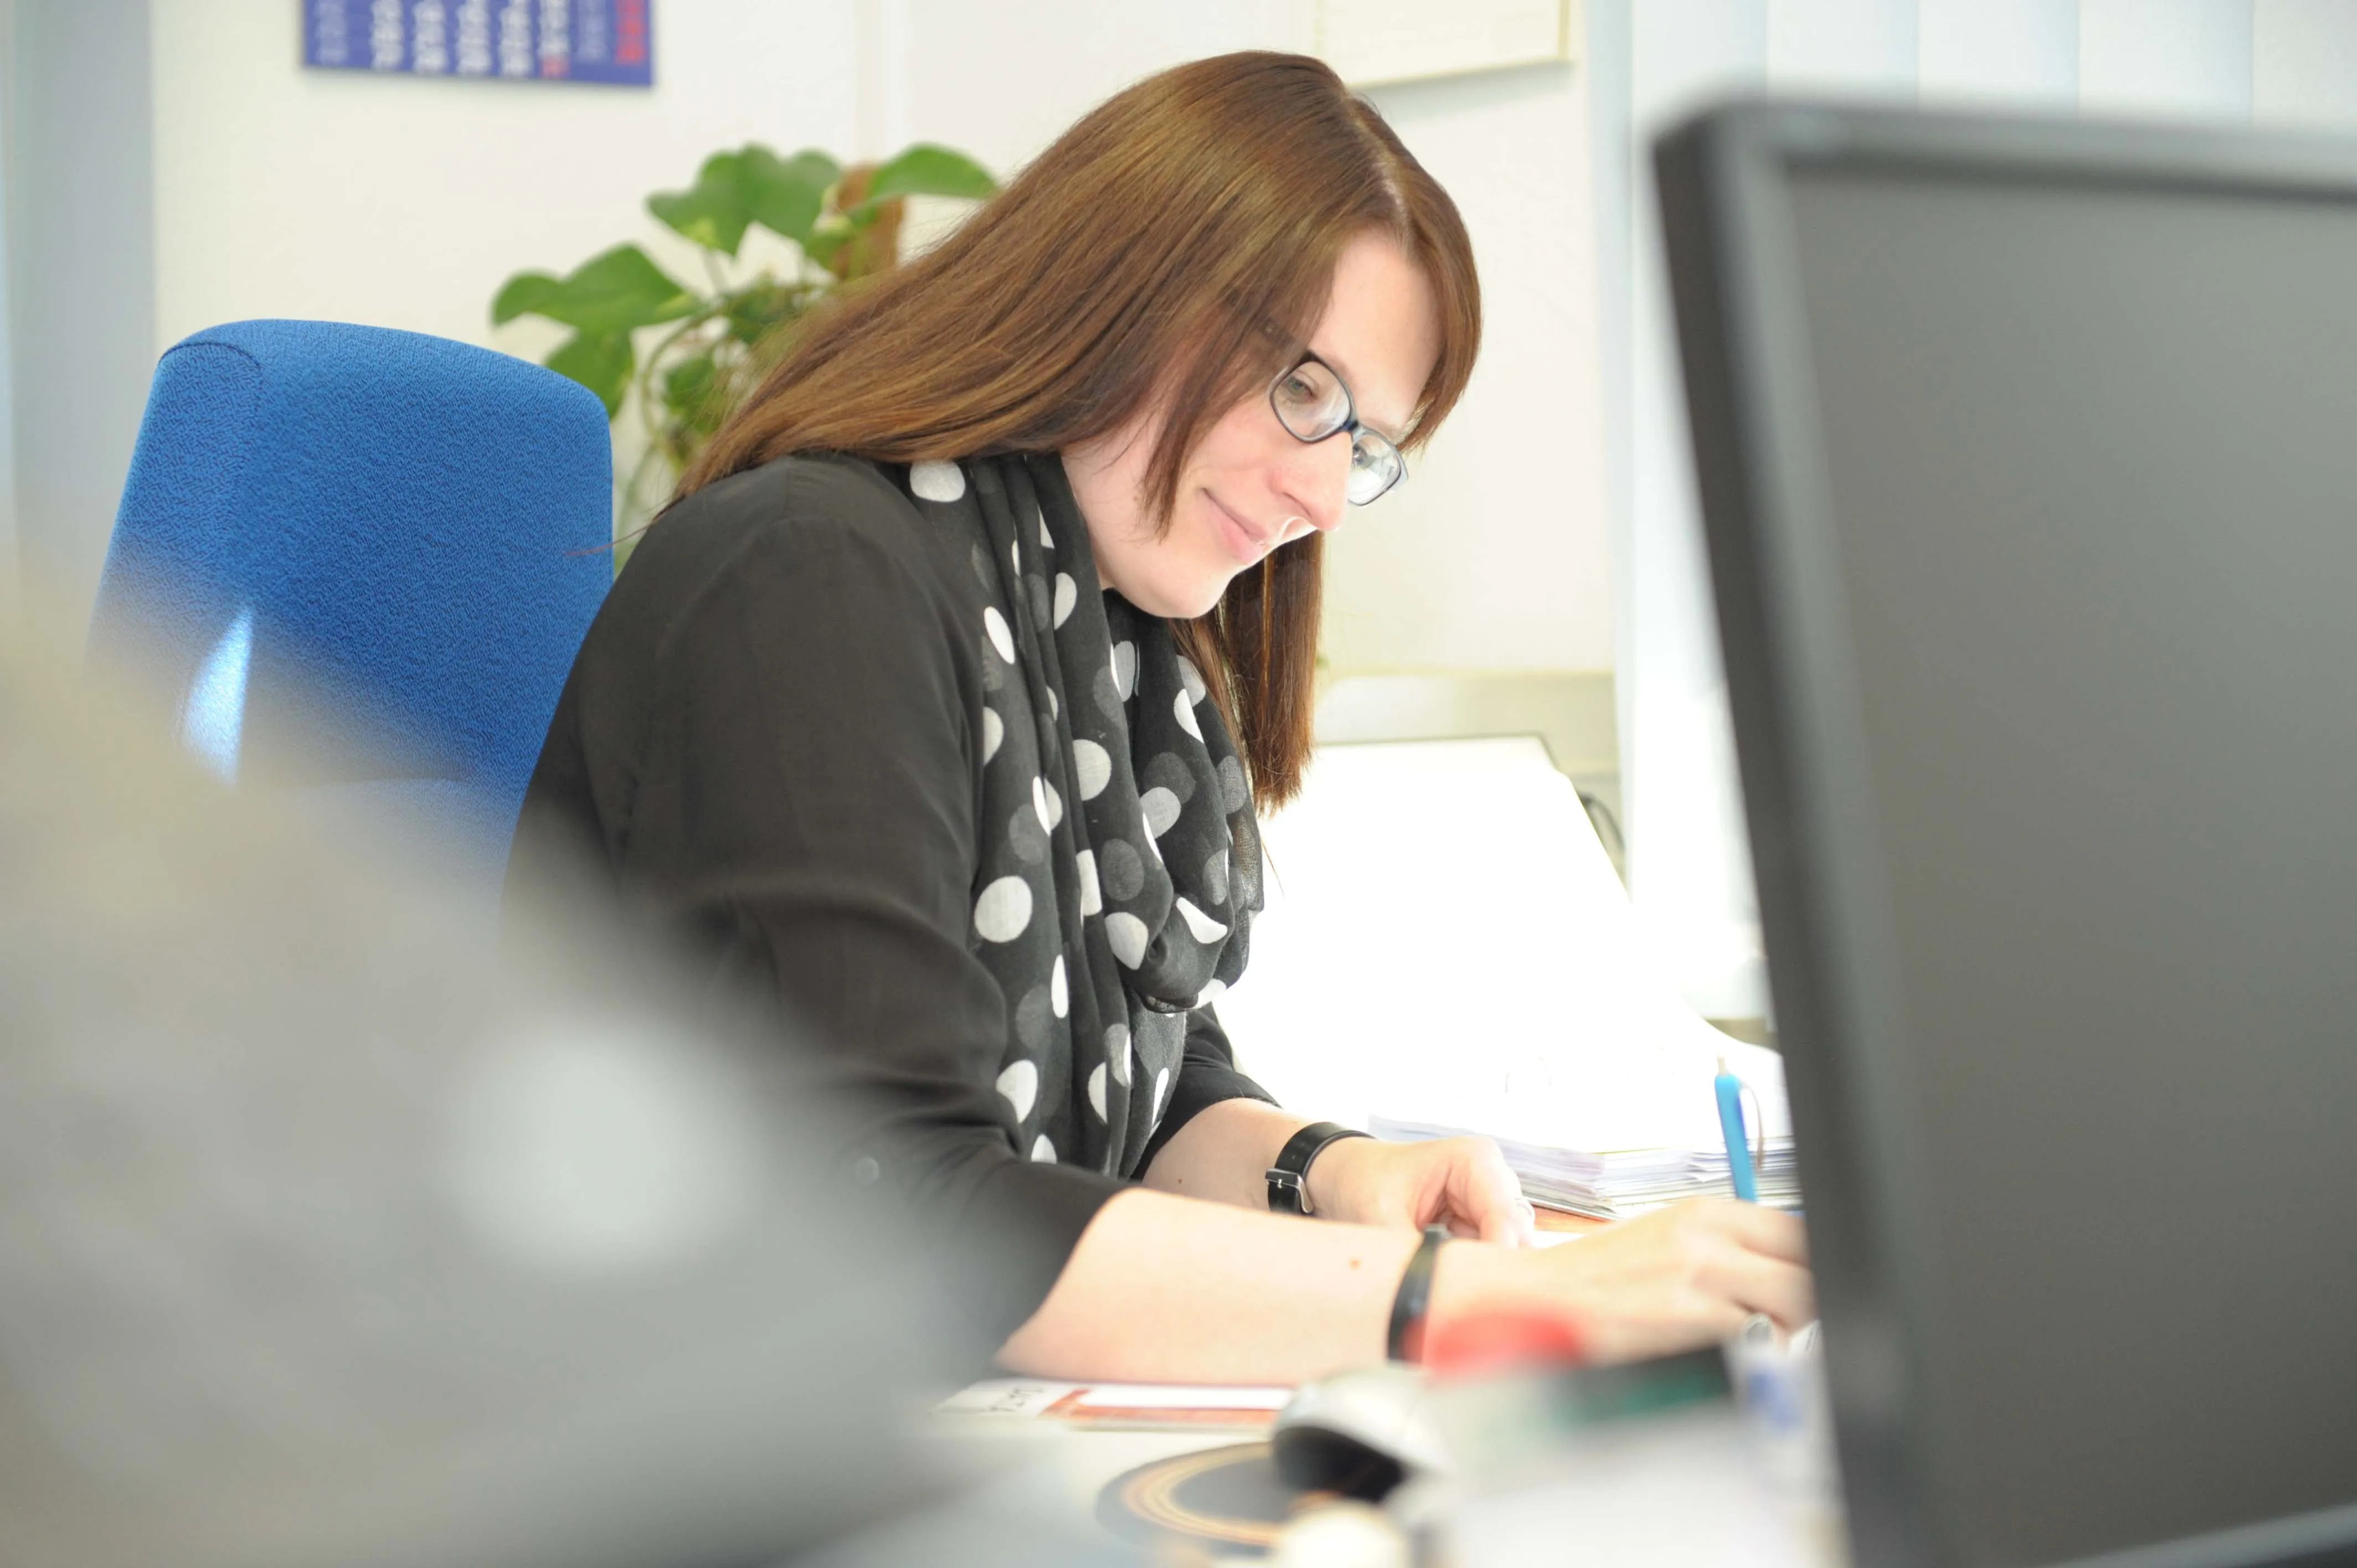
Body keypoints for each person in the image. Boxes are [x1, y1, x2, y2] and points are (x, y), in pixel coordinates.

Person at [508, 51, 1811, 1384]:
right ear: (1121, 286)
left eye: (1363, 446)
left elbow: (1138, 1080)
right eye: (1305, 391)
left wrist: (1326, 1171)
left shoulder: (1096, 618)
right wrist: (1471, 1304)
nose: (1318, 498)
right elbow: (900, 1206)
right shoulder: (813, 571)